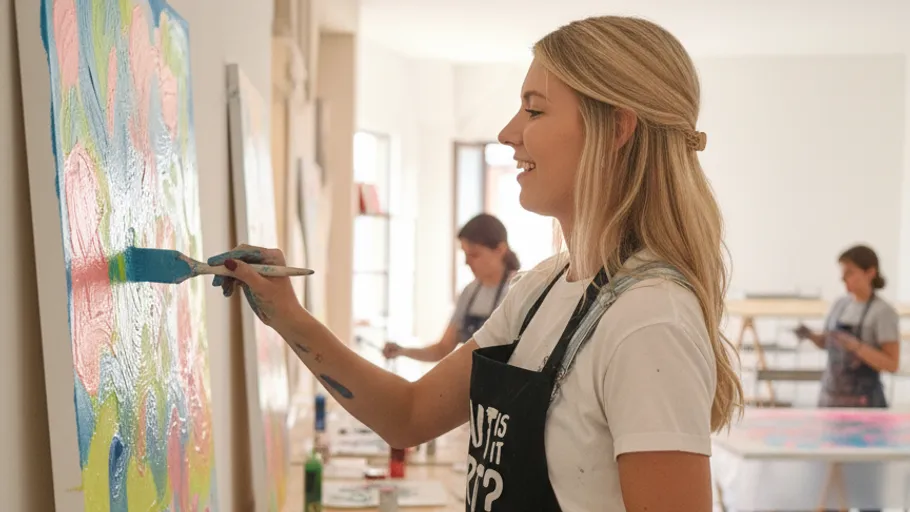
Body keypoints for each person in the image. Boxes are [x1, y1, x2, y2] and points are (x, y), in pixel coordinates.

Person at [211, 15, 742, 511]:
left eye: (534, 109)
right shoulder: (542, 288)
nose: (510, 133)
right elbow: (409, 416)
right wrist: (286, 314)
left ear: (618, 129)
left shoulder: (649, 321)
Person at [383, 213, 520, 362]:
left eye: (474, 254)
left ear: (500, 250)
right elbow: (442, 349)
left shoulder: (518, 290)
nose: (467, 262)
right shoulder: (469, 292)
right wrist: (402, 351)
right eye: (465, 254)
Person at [795, 245, 901, 409]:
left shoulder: (883, 312)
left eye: (849, 272)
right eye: (842, 273)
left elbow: (891, 365)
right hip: (830, 397)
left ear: (870, 273)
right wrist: (811, 336)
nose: (843, 278)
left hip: (865, 402)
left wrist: (856, 346)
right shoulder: (840, 305)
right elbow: (827, 343)